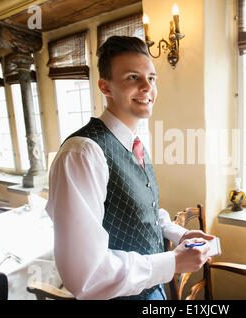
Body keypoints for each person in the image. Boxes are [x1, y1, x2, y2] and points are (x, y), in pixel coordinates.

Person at [46, 36, 214, 300]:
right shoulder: (82, 153)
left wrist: (179, 234)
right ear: (106, 87)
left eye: (152, 78)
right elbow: (86, 275)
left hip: (152, 289)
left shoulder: (135, 144)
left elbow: (141, 208)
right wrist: (172, 263)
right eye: (133, 77)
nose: (147, 87)